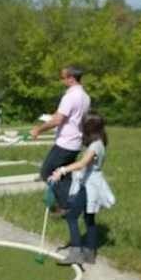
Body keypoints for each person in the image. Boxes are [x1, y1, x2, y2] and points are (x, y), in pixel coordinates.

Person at [49, 113, 116, 265]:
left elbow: (82, 163)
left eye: (82, 127)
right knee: (88, 218)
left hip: (90, 186)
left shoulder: (95, 146)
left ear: (89, 129)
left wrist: (62, 170)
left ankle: (76, 253)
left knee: (71, 216)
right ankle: (89, 253)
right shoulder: (99, 143)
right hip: (91, 184)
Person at [31, 66, 91, 212]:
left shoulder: (70, 97)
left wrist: (38, 129)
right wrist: (51, 117)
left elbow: (58, 120)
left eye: (62, 77)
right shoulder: (85, 97)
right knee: (64, 174)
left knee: (46, 172)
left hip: (65, 143)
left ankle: (66, 207)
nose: (61, 80)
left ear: (71, 79)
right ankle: (70, 203)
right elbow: (63, 115)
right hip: (75, 143)